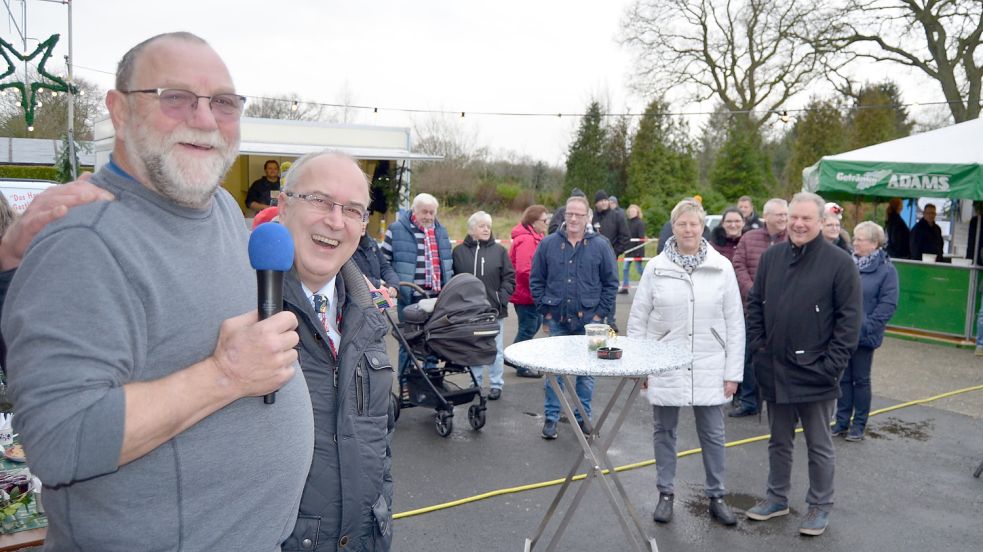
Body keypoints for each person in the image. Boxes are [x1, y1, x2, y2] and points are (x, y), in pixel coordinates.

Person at [2, 33, 314, 549]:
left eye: (223, 102)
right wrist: (226, 375)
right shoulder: (84, 241)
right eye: (175, 97)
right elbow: (58, 441)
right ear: (120, 111)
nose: (205, 119)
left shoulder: (222, 214)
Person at [277, 151, 395, 551]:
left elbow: (380, 443)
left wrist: (380, 514)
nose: (335, 220)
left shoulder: (368, 318)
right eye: (320, 201)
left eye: (353, 210)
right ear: (283, 205)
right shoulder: (241, 311)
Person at [744, 192, 861, 537]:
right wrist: (759, 350)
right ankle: (776, 498)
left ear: (822, 222)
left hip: (817, 374)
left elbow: (849, 322)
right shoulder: (772, 257)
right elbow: (755, 307)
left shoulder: (840, 263)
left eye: (806, 218)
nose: (798, 223)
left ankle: (819, 506)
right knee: (778, 441)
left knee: (819, 445)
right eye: (794, 217)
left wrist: (830, 367)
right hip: (775, 369)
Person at [628, 198, 744, 527]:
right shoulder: (656, 267)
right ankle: (665, 494)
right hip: (663, 363)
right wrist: (641, 367)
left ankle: (717, 496)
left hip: (711, 364)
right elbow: (638, 320)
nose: (688, 229)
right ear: (673, 227)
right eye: (682, 224)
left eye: (694, 223)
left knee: (713, 434)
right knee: (664, 431)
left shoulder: (721, 267)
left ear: (702, 226)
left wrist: (733, 372)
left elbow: (735, 323)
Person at [530, 195, 619, 440]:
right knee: (554, 374)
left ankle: (583, 418)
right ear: (564, 215)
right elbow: (536, 281)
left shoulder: (601, 245)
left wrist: (600, 314)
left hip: (593, 324)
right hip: (556, 320)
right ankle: (551, 418)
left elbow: (611, 284)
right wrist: (546, 312)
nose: (573, 218)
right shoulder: (548, 244)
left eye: (579, 214)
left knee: (587, 373)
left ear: (588, 217)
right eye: (570, 213)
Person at [833, 221, 898, 442]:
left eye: (859, 239)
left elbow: (888, 304)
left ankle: (858, 425)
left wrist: (867, 327)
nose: (854, 242)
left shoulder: (887, 270)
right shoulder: (848, 263)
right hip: (843, 333)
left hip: (864, 336)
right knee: (842, 379)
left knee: (860, 380)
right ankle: (841, 421)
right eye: (855, 237)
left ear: (874, 243)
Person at [382, 193, 453, 373]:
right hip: (410, 297)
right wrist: (396, 287)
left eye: (432, 212)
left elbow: (447, 262)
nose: (428, 216)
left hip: (436, 297)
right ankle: (406, 382)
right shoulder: (396, 229)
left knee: (433, 340)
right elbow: (384, 262)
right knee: (407, 341)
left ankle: (431, 380)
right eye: (424, 212)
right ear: (414, 210)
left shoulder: (441, 231)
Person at [729, 198, 788, 418]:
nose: (783, 218)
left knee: (782, 357)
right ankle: (749, 401)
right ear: (767, 216)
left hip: (783, 311)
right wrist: (753, 291)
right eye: (779, 214)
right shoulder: (749, 237)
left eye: (785, 214)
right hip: (752, 309)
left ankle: (780, 401)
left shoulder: (794, 240)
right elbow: (739, 265)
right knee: (749, 355)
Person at [452, 211, 515, 400]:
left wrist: (500, 298)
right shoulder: (458, 252)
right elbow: (453, 279)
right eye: (482, 226)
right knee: (474, 348)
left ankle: (496, 384)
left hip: (494, 311)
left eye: (488, 225)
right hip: (469, 312)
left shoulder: (500, 251)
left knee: (496, 349)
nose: (487, 229)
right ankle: (476, 383)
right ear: (472, 229)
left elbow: (510, 278)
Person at [509, 205, 548, 378]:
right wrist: (538, 290)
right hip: (526, 295)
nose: (547, 223)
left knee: (532, 325)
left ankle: (513, 358)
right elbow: (525, 270)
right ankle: (519, 363)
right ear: (534, 222)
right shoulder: (526, 240)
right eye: (544, 220)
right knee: (528, 327)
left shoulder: (534, 237)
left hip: (529, 294)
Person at [353, 228, 399, 299]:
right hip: (355, 300)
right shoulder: (346, 246)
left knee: (383, 309)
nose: (363, 223)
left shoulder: (372, 243)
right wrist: (377, 284)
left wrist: (393, 285)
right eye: (360, 218)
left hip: (376, 295)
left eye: (366, 218)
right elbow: (351, 275)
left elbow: (385, 267)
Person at [592, 189, 631, 258]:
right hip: (594, 256)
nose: (604, 203)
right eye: (601, 201)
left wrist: (615, 252)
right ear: (596, 203)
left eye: (605, 200)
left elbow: (625, 237)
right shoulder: (592, 218)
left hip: (610, 257)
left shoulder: (618, 216)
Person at [620, 203, 647, 293]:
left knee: (639, 269)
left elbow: (641, 238)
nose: (631, 213)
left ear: (637, 212)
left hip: (637, 250)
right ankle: (625, 287)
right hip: (629, 250)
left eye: (633, 211)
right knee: (625, 268)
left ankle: (650, 281)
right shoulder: (627, 223)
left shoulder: (640, 223)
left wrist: (639, 251)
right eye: (630, 211)